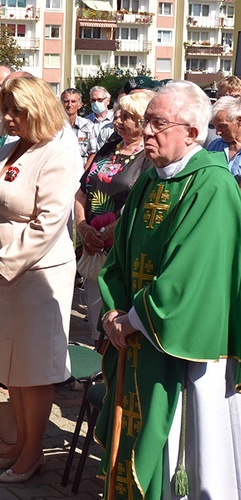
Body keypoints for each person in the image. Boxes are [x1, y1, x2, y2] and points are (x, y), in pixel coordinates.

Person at [96, 80, 241, 499]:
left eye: (158, 124)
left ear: (192, 132)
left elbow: (191, 275)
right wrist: (112, 313)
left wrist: (133, 319)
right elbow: (119, 259)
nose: (146, 132)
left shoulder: (212, 186)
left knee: (190, 456)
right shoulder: (149, 180)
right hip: (136, 333)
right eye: (146, 122)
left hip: (186, 346)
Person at [0, 76, 80, 483]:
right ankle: (18, 442)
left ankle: (33, 451)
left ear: (37, 110)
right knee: (11, 365)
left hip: (37, 276)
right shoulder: (8, 149)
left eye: (16, 111)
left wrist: (2, 262)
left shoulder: (57, 154)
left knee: (34, 368)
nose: (7, 118)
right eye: (4, 110)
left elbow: (49, 222)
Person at [74, 91, 154, 341]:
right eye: (117, 115)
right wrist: (83, 227)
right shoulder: (108, 148)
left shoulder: (149, 156)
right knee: (96, 310)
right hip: (91, 245)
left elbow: (143, 204)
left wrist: (109, 231)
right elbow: (81, 190)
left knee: (116, 314)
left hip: (121, 246)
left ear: (142, 121)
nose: (118, 120)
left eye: (126, 116)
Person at [206, 95, 241, 181]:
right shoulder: (214, 146)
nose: (217, 132)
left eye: (222, 126)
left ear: (239, 121)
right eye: (215, 126)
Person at [60, 88, 97, 168]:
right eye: (66, 101)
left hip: (80, 172)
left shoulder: (88, 126)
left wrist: (83, 174)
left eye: (73, 101)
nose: (69, 105)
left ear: (80, 105)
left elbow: (93, 153)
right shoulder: (54, 126)